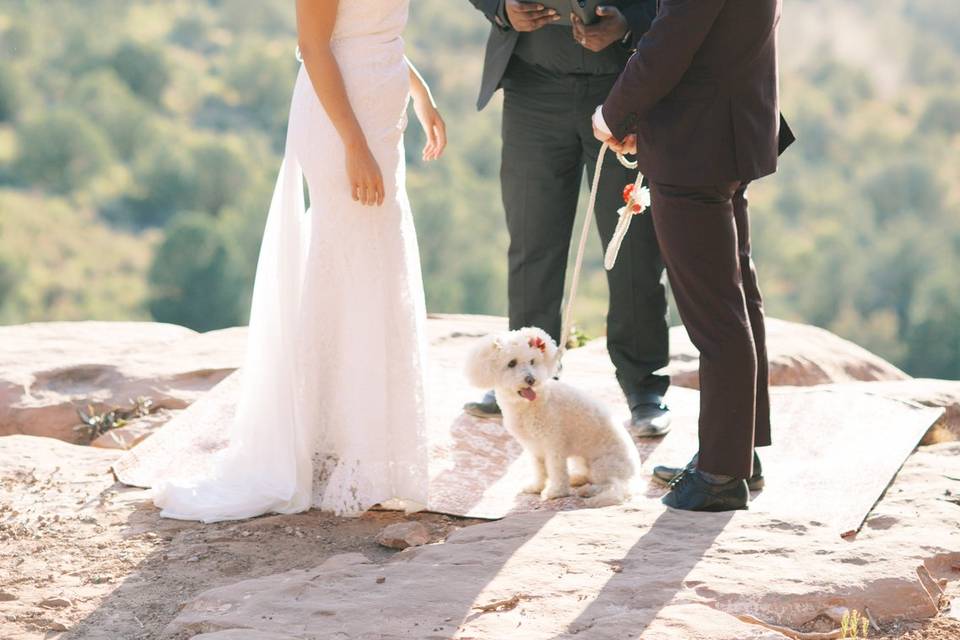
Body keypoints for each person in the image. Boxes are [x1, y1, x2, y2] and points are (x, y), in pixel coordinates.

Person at [145, 0, 446, 522]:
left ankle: (359, 440)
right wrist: (353, 143)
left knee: (378, 265)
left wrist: (420, 91)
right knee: (353, 264)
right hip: (340, 122)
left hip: (382, 114)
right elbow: (313, 47)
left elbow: (374, 29)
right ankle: (324, 444)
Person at [593, 0, 792, 511]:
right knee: (738, 296)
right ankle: (737, 453)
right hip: (728, 131)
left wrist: (612, 112)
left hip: (695, 144)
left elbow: (671, 40)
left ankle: (722, 475)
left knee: (716, 313)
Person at [463, 0, 674, 437]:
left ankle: (644, 389)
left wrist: (629, 25)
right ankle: (524, 376)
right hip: (531, 88)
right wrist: (502, 9)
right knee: (531, 238)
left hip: (625, 87)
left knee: (632, 245)